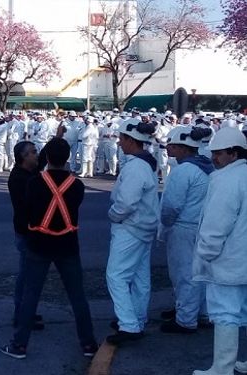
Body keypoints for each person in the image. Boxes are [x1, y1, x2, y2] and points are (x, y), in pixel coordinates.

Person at [1, 138, 97, 359]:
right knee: (77, 296)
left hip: (39, 243)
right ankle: (88, 344)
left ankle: (20, 345)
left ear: (47, 158)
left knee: (31, 295)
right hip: (67, 244)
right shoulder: (77, 185)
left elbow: (26, 210)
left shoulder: (34, 183)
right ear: (67, 158)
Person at [192, 127, 247, 375]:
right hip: (241, 258)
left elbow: (216, 224)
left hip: (229, 260)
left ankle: (222, 370)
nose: (214, 158)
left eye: (219, 154)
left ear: (233, 154)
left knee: (225, 313)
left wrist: (206, 254)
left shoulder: (227, 180)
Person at [105, 118, 159, 345]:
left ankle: (128, 324)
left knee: (116, 275)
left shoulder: (136, 166)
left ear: (131, 140)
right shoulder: (144, 162)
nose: (119, 142)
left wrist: (113, 215)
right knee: (139, 277)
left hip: (131, 227)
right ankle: (136, 317)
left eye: (122, 138)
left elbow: (126, 203)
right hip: (143, 226)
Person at [158, 126, 213, 335]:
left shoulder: (184, 170)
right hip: (201, 226)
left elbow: (171, 206)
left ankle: (186, 319)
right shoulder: (206, 167)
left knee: (184, 274)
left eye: (172, 146)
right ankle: (201, 313)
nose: (168, 149)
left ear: (183, 148)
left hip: (184, 227)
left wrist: (166, 225)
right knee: (202, 273)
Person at [7, 141, 45, 334]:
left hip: (30, 230)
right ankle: (22, 314)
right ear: (23, 157)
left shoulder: (29, 173)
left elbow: (44, 159)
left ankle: (26, 310)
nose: (36, 155)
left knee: (30, 274)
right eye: (32, 153)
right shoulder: (20, 178)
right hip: (26, 231)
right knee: (27, 275)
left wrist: (57, 137)